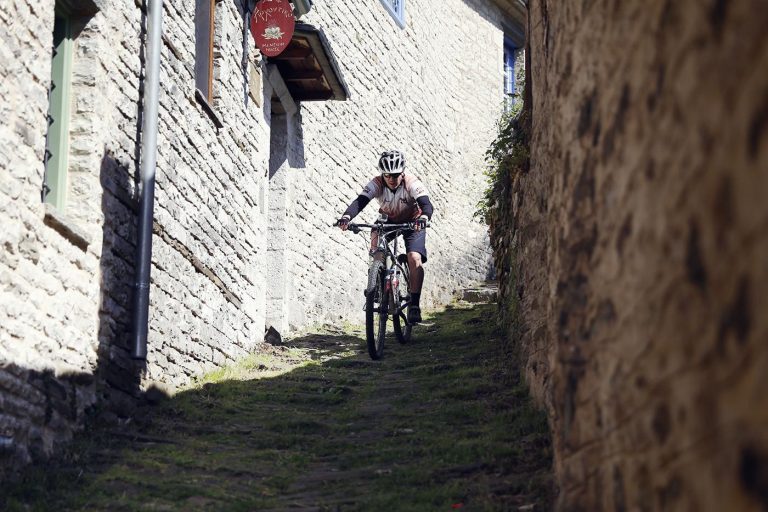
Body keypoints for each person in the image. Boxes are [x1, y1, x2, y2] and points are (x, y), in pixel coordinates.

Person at [337, 150, 434, 323]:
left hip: (413, 222)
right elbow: (360, 201)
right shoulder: (377, 183)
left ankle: (414, 305)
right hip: (388, 220)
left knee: (414, 257)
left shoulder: (411, 182)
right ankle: (375, 285)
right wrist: (346, 217)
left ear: (402, 173)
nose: (391, 179)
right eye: (387, 175)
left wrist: (424, 218)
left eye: (395, 175)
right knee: (376, 242)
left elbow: (426, 204)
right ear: (383, 174)